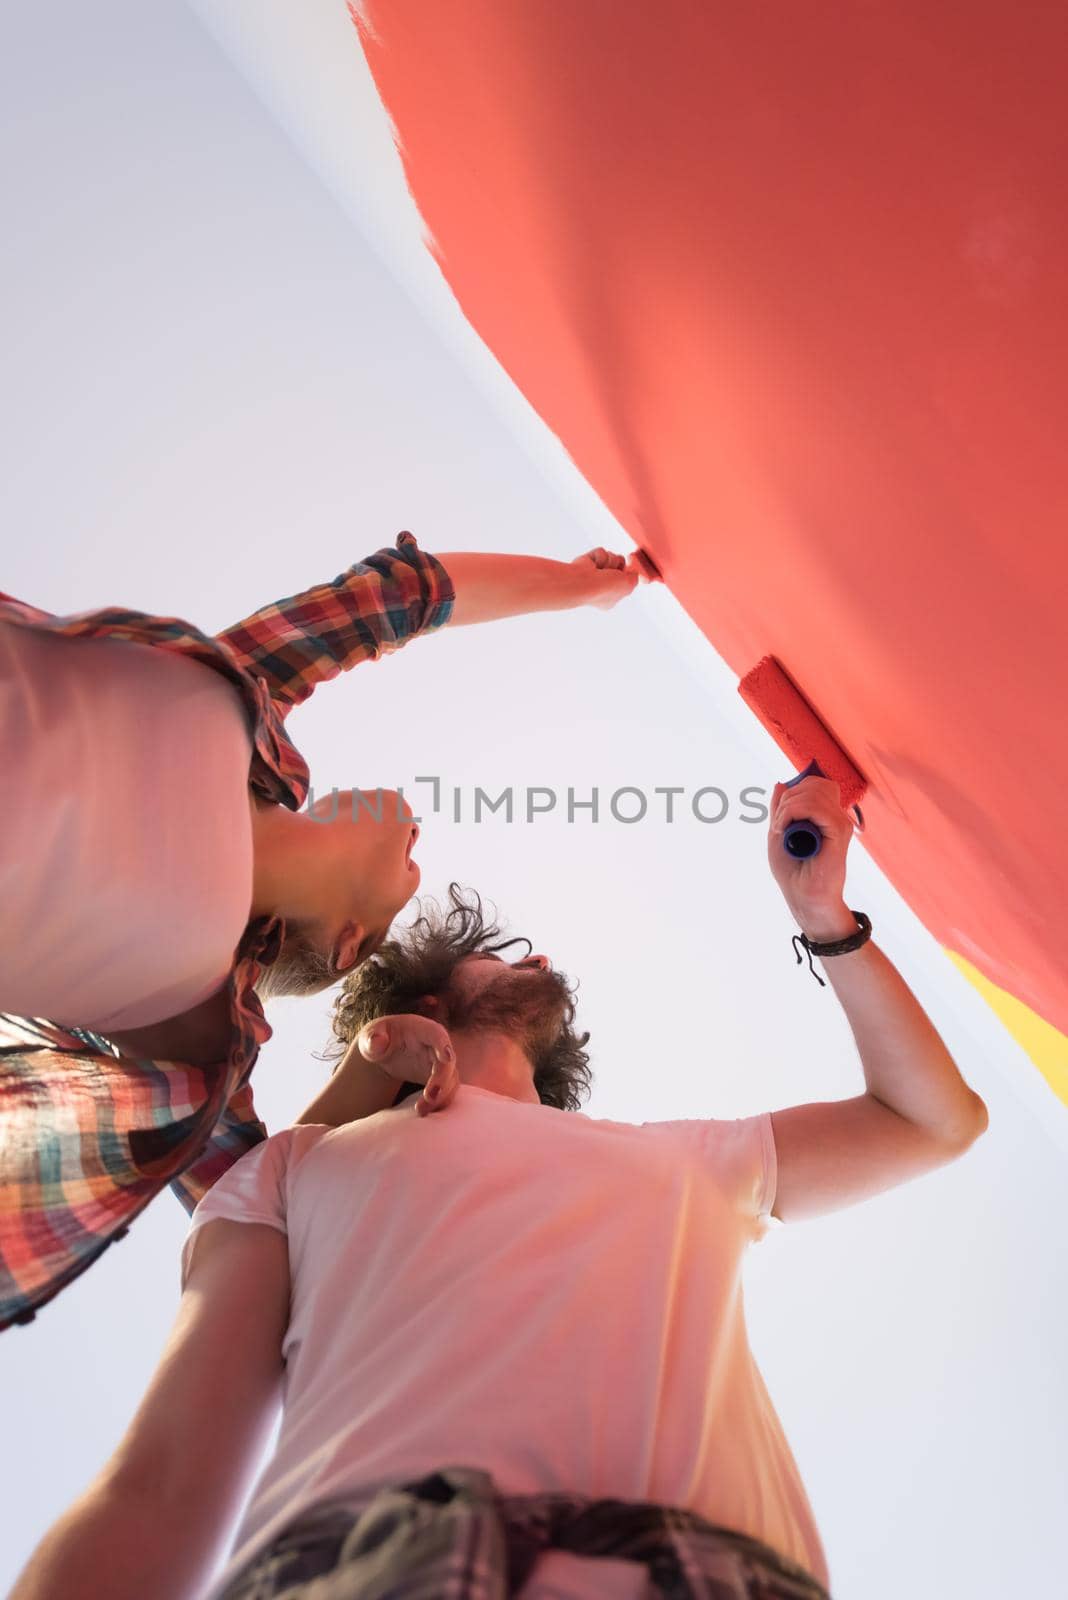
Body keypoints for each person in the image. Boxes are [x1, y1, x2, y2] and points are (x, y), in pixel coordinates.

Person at [9, 775, 989, 1599]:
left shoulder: (688, 1156)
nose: (540, 957)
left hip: (709, 1570)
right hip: (374, 1564)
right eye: (508, 955)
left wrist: (824, 917)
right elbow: (160, 1486)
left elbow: (933, 1120)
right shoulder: (289, 1168)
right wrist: (362, 1069)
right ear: (427, 996)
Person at [0, 538, 644, 1330]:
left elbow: (259, 1207)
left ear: (346, 941)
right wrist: (581, 588)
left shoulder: (188, 1022)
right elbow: (402, 596)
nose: (418, 854)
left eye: (406, 891)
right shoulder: (234, 701)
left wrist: (369, 1069)